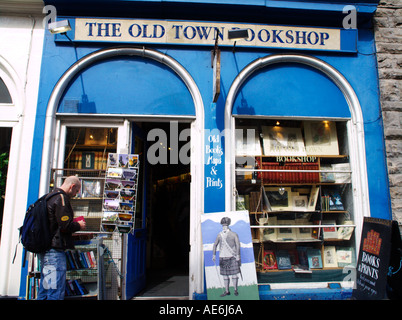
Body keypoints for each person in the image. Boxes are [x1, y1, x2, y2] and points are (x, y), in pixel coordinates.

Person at [37, 176, 86, 300]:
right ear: (72, 186)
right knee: (55, 290)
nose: (76, 194)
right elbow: (65, 225)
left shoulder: (50, 196)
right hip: (54, 252)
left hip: (46, 250)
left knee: (46, 288)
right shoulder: (61, 199)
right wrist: (79, 225)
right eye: (76, 191)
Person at [212, 217, 241, 297]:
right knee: (225, 276)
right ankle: (227, 291)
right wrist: (214, 254)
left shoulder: (234, 234)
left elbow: (237, 245)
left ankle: (235, 290)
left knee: (234, 275)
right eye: (223, 225)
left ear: (228, 225)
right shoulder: (219, 235)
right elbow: (215, 245)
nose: (224, 227)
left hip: (232, 256)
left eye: (226, 225)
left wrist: (238, 255)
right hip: (222, 257)